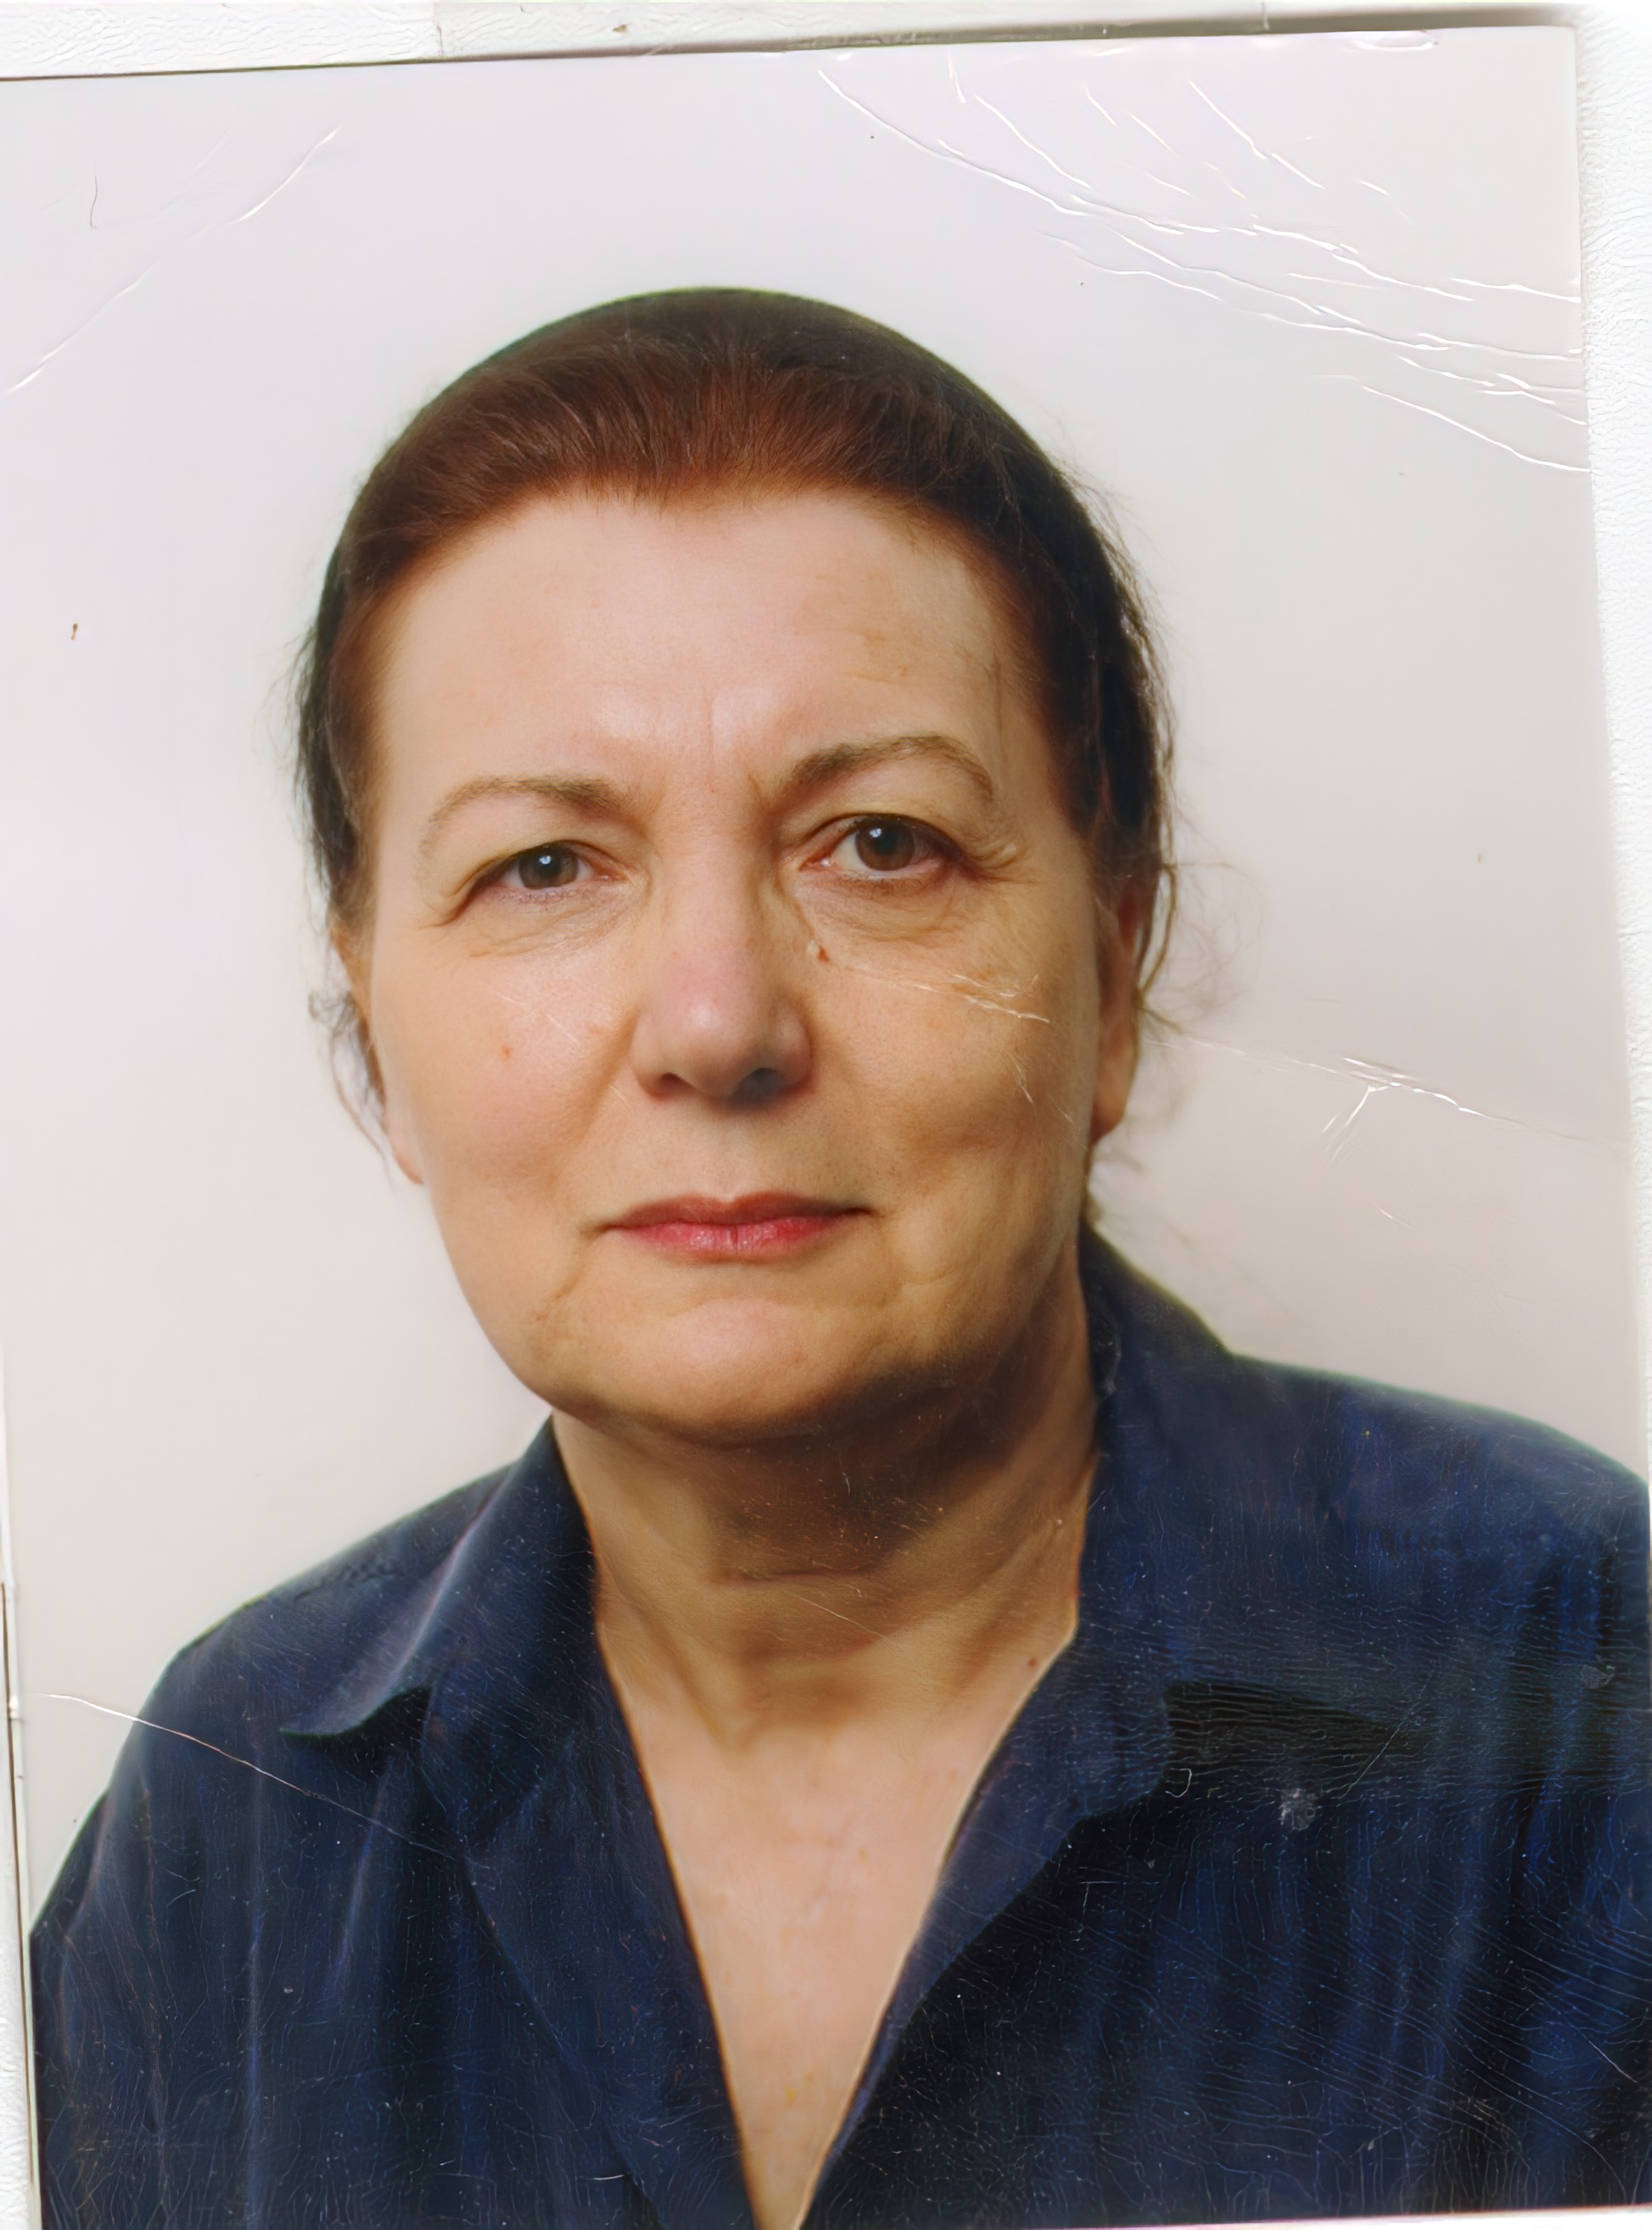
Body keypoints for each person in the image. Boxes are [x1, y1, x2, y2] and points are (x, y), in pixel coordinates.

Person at [31, 290, 1652, 2230]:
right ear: (372, 1031)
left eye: (880, 844)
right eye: (544, 866)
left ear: (1112, 968)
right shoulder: (225, 1809)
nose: (719, 1022)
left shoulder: (1576, 1672)